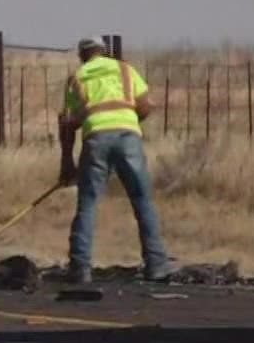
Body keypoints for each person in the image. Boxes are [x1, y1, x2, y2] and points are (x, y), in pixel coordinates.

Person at [59, 38, 171, 283]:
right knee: (142, 200)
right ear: (104, 52)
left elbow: (68, 123)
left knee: (87, 203)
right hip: (128, 137)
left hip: (96, 138)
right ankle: (157, 264)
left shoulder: (77, 77)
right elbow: (145, 105)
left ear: (82, 55)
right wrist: (126, 119)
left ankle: (80, 268)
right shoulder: (125, 70)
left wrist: (67, 163)